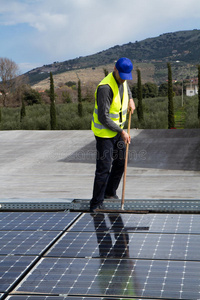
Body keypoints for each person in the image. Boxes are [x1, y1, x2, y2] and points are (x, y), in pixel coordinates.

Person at [90, 57, 135, 213]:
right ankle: (96, 203)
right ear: (114, 69)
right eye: (121, 75)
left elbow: (126, 87)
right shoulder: (105, 88)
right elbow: (103, 117)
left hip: (117, 131)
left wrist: (131, 99)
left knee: (121, 162)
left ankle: (110, 192)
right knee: (104, 168)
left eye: (126, 76)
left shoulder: (123, 79)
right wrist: (122, 132)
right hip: (105, 133)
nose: (124, 79)